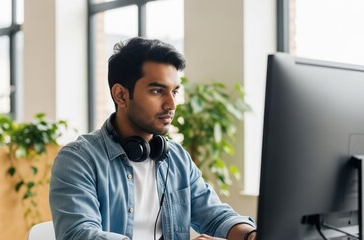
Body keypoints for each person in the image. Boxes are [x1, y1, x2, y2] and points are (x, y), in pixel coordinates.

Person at [49, 37, 257, 240]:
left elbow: (215, 215)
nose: (171, 105)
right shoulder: (78, 160)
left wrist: (250, 235)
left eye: (174, 92)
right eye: (158, 91)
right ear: (121, 95)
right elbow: (79, 233)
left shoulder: (176, 158)